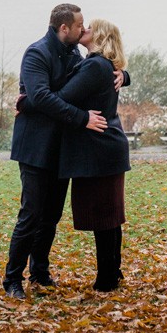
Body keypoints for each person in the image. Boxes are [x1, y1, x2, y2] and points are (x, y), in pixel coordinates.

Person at [2, 3, 111, 300]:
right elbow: (41, 97)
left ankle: (39, 272)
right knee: (31, 215)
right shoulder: (37, 53)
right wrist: (81, 118)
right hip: (35, 148)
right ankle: (12, 279)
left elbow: (79, 87)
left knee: (51, 217)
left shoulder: (74, 53)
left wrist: (123, 76)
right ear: (64, 28)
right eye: (79, 25)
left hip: (61, 149)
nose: (83, 29)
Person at [55, 19, 131, 292]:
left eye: (89, 28)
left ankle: (106, 279)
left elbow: (64, 96)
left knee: (104, 216)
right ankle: (113, 273)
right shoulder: (105, 65)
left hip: (99, 150)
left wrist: (30, 99)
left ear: (100, 37)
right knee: (109, 215)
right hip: (108, 147)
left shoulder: (95, 65)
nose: (84, 29)